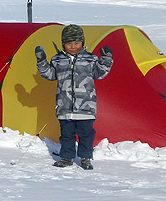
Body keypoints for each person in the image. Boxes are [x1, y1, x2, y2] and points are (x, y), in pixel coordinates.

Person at [35, 24, 113, 170]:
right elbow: (50, 75)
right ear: (63, 43)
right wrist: (42, 61)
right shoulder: (58, 60)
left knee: (86, 134)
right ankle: (67, 157)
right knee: (66, 135)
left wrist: (106, 59)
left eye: (76, 43)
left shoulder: (90, 59)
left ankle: (85, 158)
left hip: (85, 106)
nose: (73, 46)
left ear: (82, 42)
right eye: (69, 43)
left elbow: (99, 74)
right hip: (65, 106)